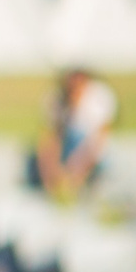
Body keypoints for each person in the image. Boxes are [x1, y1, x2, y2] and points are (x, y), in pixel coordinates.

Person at [33, 68, 117, 200]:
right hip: (67, 159)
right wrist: (51, 173)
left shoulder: (99, 98)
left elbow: (99, 140)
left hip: (92, 160)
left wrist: (76, 171)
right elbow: (49, 139)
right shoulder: (56, 99)